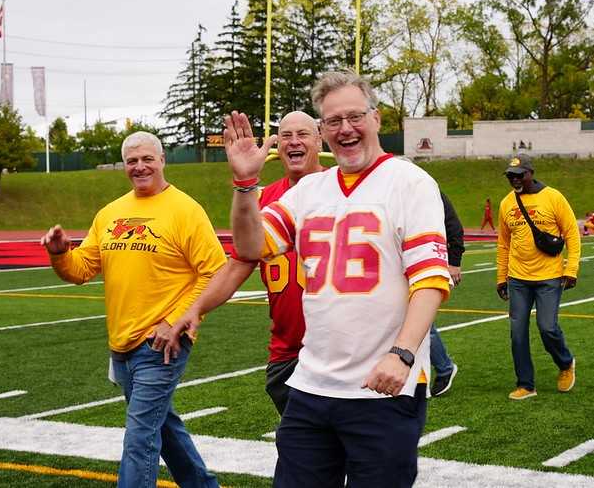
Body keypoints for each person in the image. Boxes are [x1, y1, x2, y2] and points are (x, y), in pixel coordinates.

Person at [225, 70, 450, 487]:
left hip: (383, 388)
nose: (345, 128)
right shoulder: (311, 190)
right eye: (333, 121)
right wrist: (244, 184)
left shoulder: (410, 182)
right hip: (312, 385)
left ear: (377, 119)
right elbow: (252, 245)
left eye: (354, 117)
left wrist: (401, 355)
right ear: (323, 130)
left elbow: (430, 279)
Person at [40, 131, 225, 488]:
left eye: (147, 159)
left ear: (162, 160)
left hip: (162, 344)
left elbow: (215, 272)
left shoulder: (186, 210)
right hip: (121, 346)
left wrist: (175, 321)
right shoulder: (111, 213)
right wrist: (60, 252)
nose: (139, 167)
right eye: (132, 161)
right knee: (163, 428)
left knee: (139, 439)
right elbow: (80, 270)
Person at [163, 110, 324, 415]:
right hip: (286, 352)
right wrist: (196, 308)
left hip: (335, 352)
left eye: (302, 134)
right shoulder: (265, 198)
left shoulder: (342, 191)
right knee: (302, 456)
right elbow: (239, 263)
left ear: (320, 139)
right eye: (285, 135)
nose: (293, 142)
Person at [496, 153, 581, 401]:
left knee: (547, 327)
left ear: (531, 173)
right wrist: (501, 277)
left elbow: (572, 235)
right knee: (517, 332)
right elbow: (503, 244)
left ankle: (565, 363)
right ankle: (526, 384)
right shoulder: (506, 204)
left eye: (519, 174)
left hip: (549, 276)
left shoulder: (553, 197)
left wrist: (571, 269)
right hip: (518, 278)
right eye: (511, 176)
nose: (515, 180)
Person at [430, 192, 464, 397]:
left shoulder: (426, 188)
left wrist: (454, 262)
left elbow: (454, 226)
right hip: (399, 264)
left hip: (428, 262)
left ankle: (444, 367)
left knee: (422, 323)